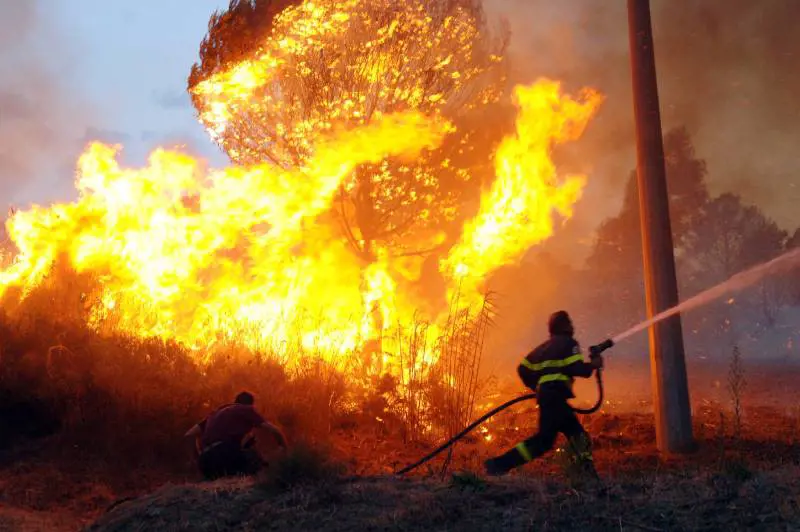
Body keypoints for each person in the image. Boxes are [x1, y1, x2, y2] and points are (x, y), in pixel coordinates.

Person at [484, 310, 604, 478]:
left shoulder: (543, 348)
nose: (572, 325)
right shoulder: (569, 343)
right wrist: (594, 364)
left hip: (550, 398)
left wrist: (538, 388)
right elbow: (577, 369)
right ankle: (498, 465)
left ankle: (587, 474)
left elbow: (522, 368)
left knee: (557, 439)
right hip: (556, 398)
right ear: (564, 326)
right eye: (569, 322)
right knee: (559, 440)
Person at [185, 391, 288, 480]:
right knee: (257, 460)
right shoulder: (246, 409)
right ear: (250, 404)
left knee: (244, 451)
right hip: (224, 455)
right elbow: (275, 431)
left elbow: (189, 435)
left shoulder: (214, 414)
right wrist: (284, 449)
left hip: (206, 462)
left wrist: (196, 458)